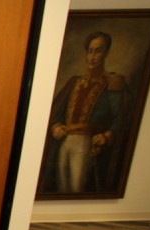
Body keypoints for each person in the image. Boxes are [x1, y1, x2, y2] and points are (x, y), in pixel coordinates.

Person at [40, 31, 130, 194]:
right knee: (60, 187)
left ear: (106, 53)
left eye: (98, 51)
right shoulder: (75, 82)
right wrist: (55, 126)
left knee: (76, 189)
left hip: (85, 144)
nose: (92, 56)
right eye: (90, 51)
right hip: (65, 141)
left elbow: (122, 117)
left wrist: (107, 135)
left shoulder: (112, 83)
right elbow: (54, 113)